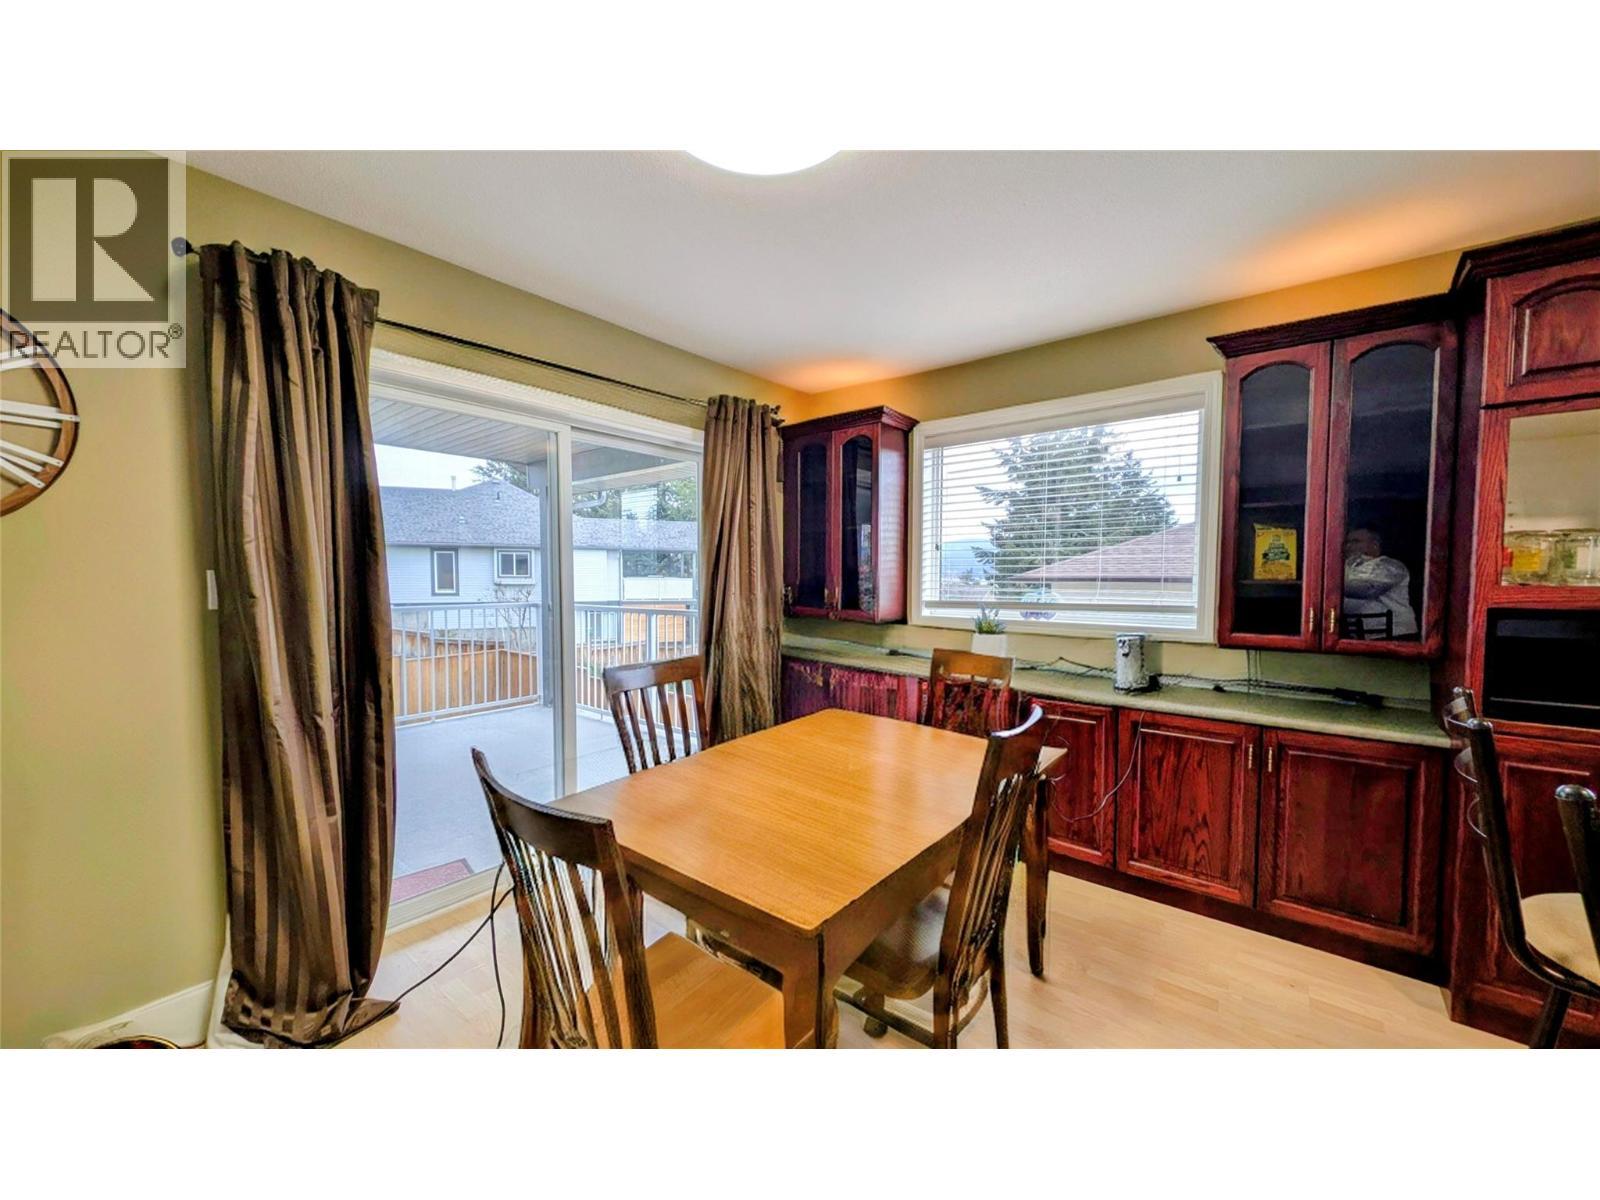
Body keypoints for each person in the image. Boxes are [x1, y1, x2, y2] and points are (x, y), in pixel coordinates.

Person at [1342, 528, 1417, 639]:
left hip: (1395, 636)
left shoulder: (1390, 566)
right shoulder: (1347, 567)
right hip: (1359, 637)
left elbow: (1368, 589)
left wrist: (1332, 586)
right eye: (1347, 542)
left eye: (1355, 541)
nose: (1349, 546)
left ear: (1375, 545)